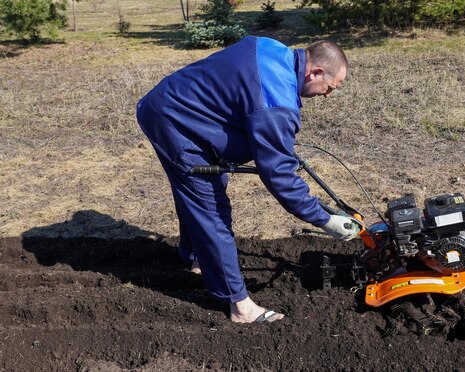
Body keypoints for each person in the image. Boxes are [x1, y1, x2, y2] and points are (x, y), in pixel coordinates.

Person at [136, 36, 359, 323]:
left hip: (177, 105)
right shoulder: (276, 102)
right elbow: (277, 175)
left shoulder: (272, 48)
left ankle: (195, 257)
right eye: (330, 87)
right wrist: (324, 219)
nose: (327, 95)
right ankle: (239, 305)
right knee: (211, 208)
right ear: (314, 72)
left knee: (199, 194)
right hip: (175, 122)